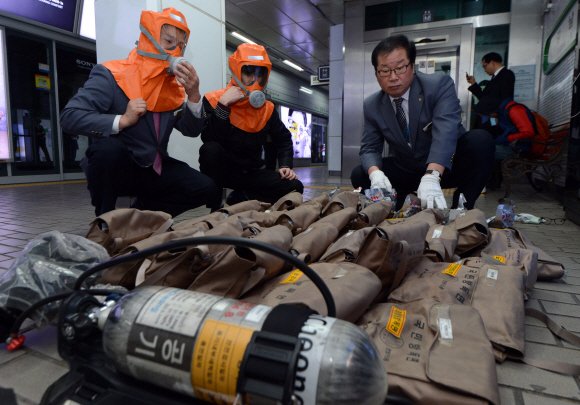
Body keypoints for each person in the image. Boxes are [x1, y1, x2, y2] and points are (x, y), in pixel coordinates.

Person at [60, 8, 220, 217]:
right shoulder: (111, 74)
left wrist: (194, 96)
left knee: (206, 188)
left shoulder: (173, 87)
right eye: (169, 42)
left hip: (155, 169)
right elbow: (69, 117)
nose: (175, 51)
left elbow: (190, 130)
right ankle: (104, 220)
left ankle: (140, 215)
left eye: (180, 46)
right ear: (148, 39)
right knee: (107, 150)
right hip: (121, 169)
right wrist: (122, 120)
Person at [350, 34, 495, 211]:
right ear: (377, 74)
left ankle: (461, 208)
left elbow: (446, 132)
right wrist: (376, 174)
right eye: (385, 71)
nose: (393, 77)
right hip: (408, 168)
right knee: (360, 174)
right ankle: (404, 205)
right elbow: (370, 148)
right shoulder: (372, 104)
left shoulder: (438, 85)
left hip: (445, 167)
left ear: (412, 67)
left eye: (400, 68)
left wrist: (432, 175)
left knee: (481, 141)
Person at [199, 43, 303, 206]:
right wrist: (223, 104)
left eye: (260, 74)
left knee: (295, 186)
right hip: (224, 172)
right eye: (248, 72)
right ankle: (215, 205)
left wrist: (285, 165)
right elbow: (209, 138)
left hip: (251, 173)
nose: (255, 79)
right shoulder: (214, 100)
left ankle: (243, 198)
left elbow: (283, 139)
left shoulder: (267, 108)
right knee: (210, 150)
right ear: (236, 71)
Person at [467, 52, 515, 127]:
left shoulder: (506, 74)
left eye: (485, 66)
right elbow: (484, 97)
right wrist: (473, 84)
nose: (485, 70)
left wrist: (497, 113)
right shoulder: (495, 78)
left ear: (492, 62)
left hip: (494, 118)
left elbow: (506, 98)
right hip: (488, 117)